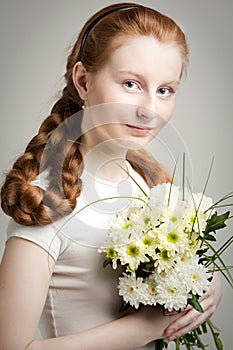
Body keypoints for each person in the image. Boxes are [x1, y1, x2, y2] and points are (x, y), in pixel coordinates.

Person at [0, 3, 222, 350]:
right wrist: (146, 327)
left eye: (165, 90)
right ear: (83, 81)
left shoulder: (151, 183)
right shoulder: (49, 202)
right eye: (131, 84)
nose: (149, 109)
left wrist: (206, 288)